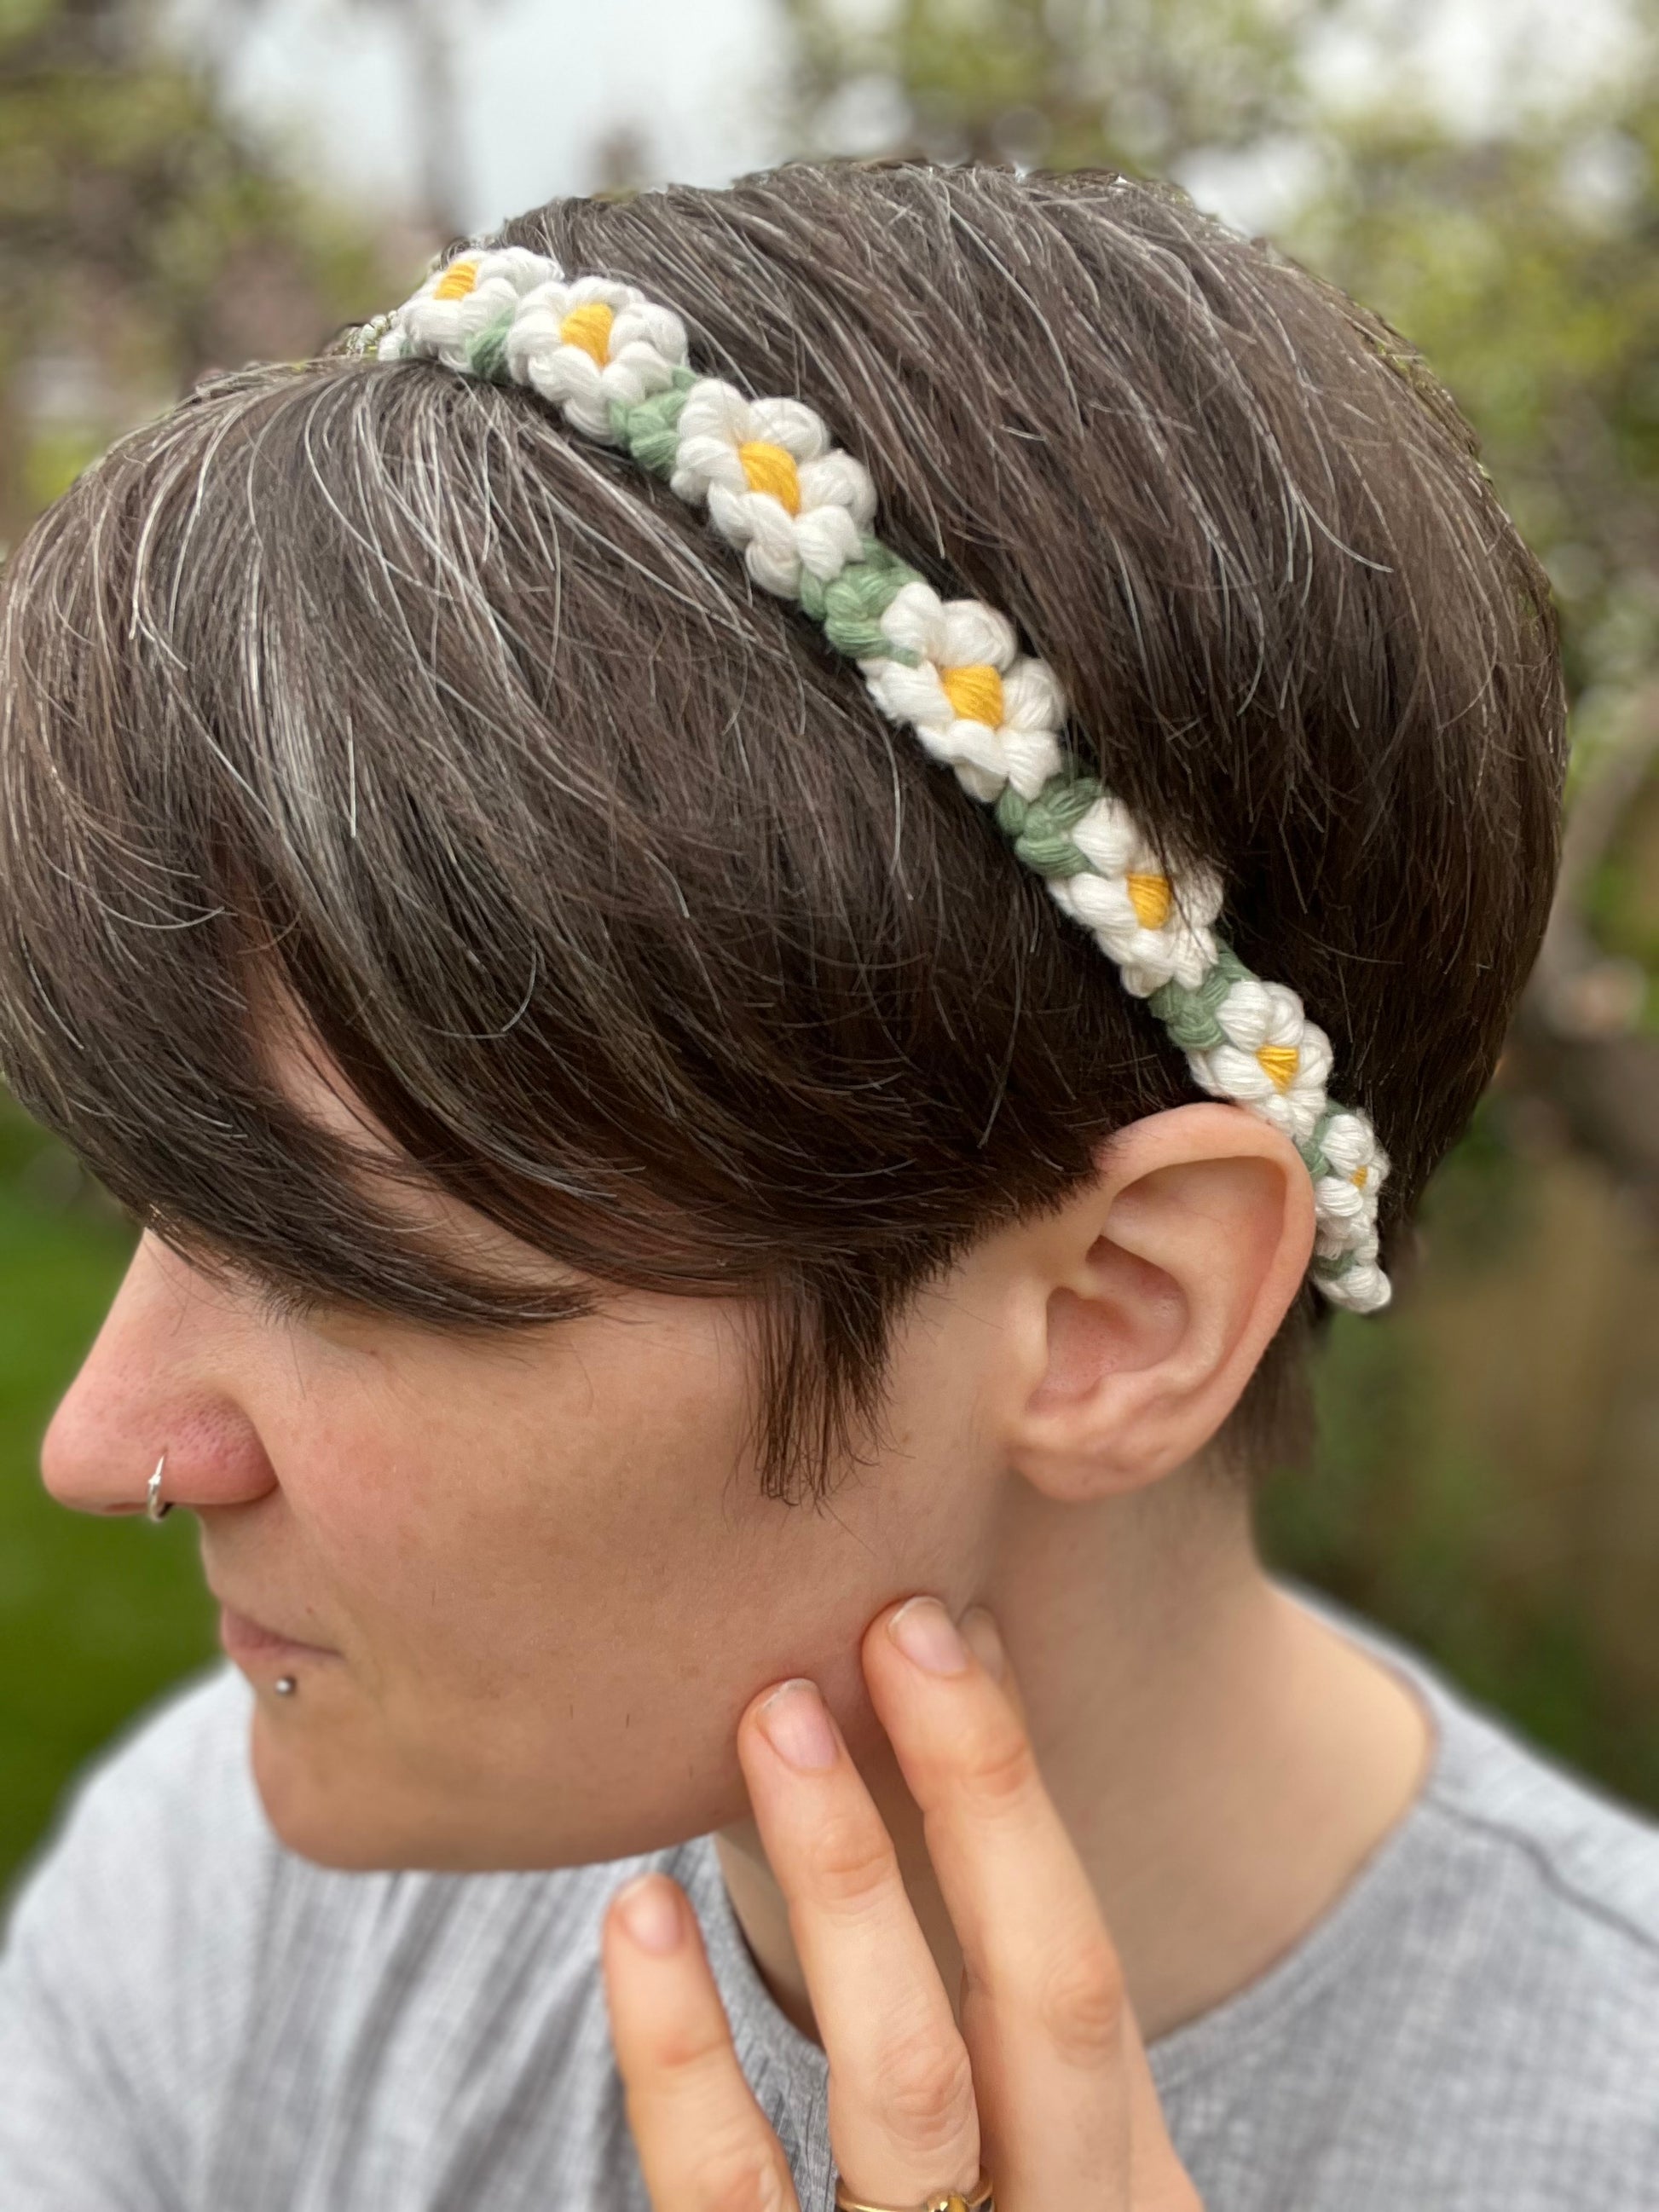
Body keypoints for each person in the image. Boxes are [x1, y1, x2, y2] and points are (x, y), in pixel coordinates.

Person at [0, 156, 1654, 2211]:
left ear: (1116, 1313)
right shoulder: (216, 1914)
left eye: (346, 1267)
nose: (101, 1441)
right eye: (166, 1197)